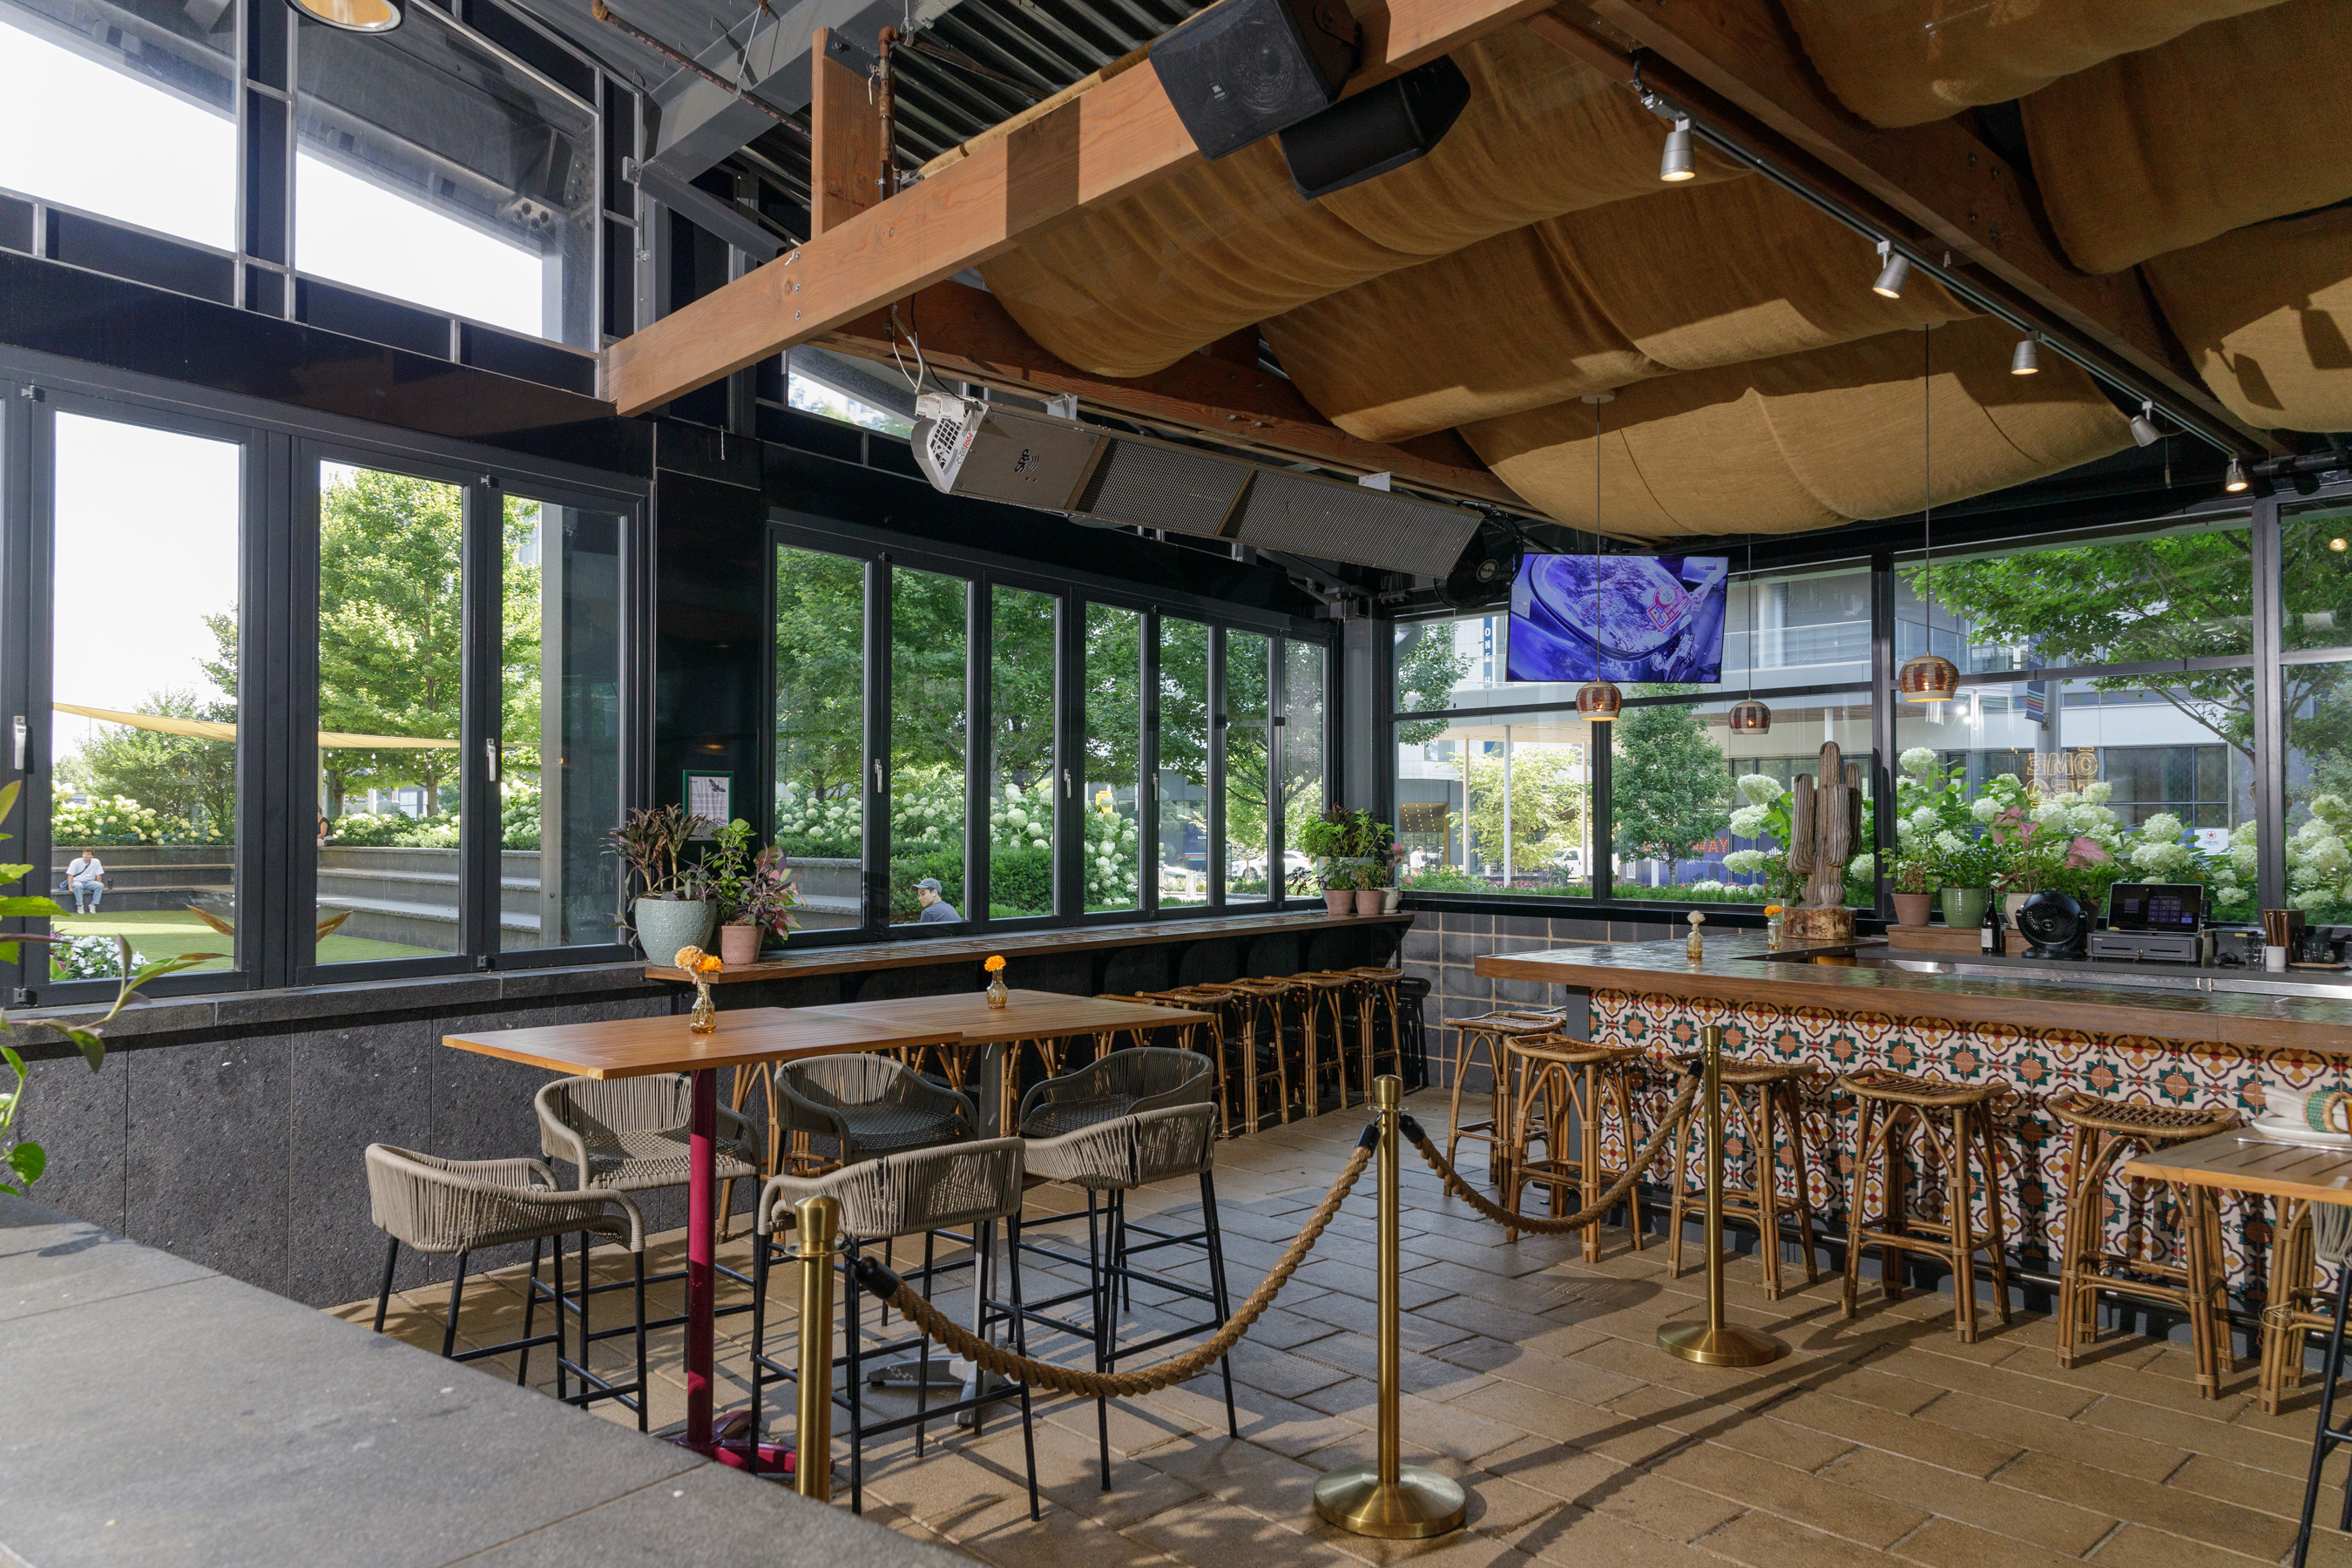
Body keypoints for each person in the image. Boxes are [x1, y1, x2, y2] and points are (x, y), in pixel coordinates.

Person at [65, 847, 105, 914]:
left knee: (100, 885)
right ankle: (80, 905)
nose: (86, 856)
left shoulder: (96, 862)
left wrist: (97, 885)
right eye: (84, 854)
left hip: (89, 882)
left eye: (88, 854)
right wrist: (70, 887)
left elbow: (98, 874)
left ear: (92, 856)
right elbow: (70, 875)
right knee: (78, 886)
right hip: (76, 881)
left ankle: (93, 905)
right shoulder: (75, 862)